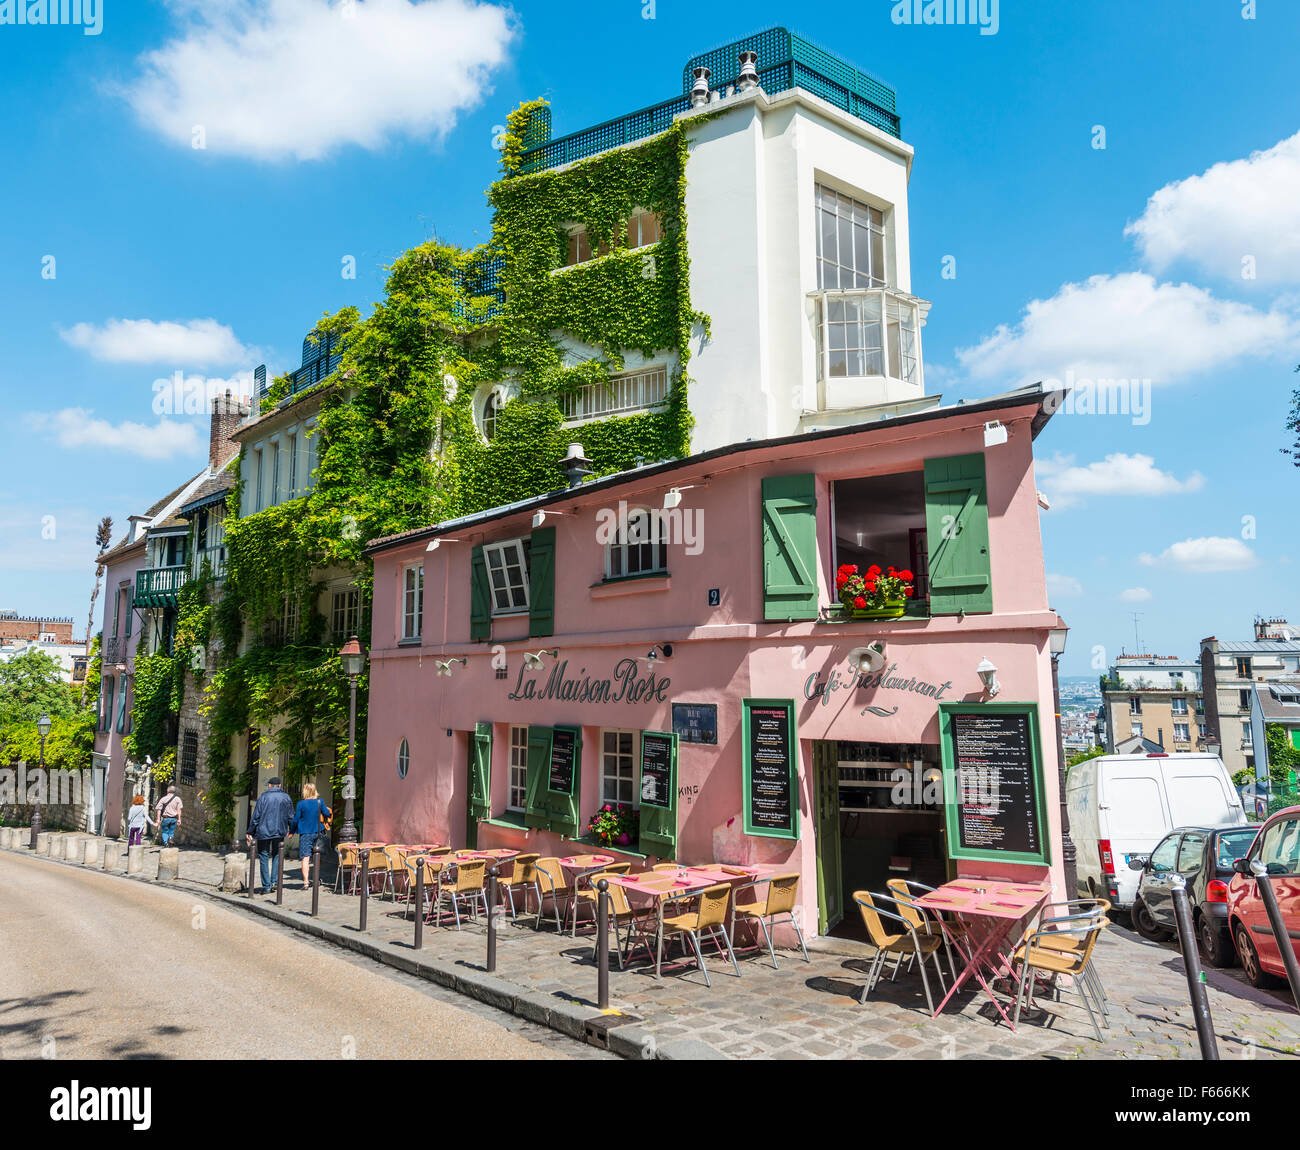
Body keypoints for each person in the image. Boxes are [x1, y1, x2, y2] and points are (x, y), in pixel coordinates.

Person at [246, 777, 294, 894]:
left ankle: (267, 886)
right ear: (280, 785)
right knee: (277, 855)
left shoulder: (263, 797)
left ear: (270, 786)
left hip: (264, 831)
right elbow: (291, 816)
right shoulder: (286, 797)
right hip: (279, 831)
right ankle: (274, 882)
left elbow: (256, 816)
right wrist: (292, 829)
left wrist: (250, 831)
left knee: (263, 856)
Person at [293, 782, 332, 887]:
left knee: (305, 857)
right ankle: (316, 878)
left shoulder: (301, 804)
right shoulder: (320, 802)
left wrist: (292, 831)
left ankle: (306, 882)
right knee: (317, 856)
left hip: (305, 833)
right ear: (315, 791)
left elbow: (296, 819)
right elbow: (327, 813)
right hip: (318, 832)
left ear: (305, 791)